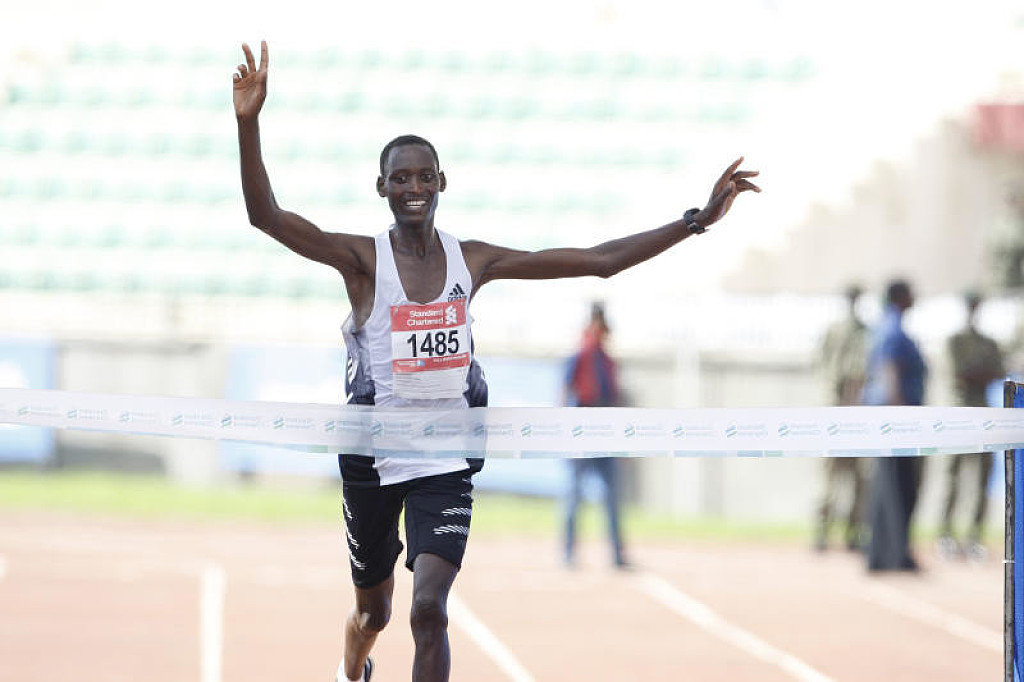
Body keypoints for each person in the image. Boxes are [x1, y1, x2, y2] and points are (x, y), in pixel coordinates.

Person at [232, 40, 760, 682]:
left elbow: (599, 261)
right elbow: (265, 216)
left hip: (445, 456)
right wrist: (248, 122)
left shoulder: (473, 261)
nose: (414, 187)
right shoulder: (363, 260)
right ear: (382, 188)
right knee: (374, 613)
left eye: (425, 176)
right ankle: (352, 670)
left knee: (429, 610)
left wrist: (696, 221)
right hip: (372, 455)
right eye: (401, 178)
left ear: (442, 183)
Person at [863, 279, 927, 572]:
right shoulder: (893, 327)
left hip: (887, 415)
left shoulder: (883, 325)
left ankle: (881, 554)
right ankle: (894, 554)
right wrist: (902, 414)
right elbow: (890, 370)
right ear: (899, 296)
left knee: (887, 484)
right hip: (895, 416)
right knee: (899, 487)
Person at [938, 292, 1005, 560]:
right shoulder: (954, 340)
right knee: (953, 477)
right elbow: (958, 374)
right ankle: (946, 534)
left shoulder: (989, 342)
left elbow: (998, 372)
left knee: (981, 478)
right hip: (958, 415)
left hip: (983, 415)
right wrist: (979, 372)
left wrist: (977, 372)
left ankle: (974, 536)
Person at [562, 302, 629, 569]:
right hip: (582, 426)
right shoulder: (580, 355)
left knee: (611, 496)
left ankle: (617, 554)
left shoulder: (608, 360)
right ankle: (568, 553)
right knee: (574, 494)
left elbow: (614, 398)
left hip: (605, 430)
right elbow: (566, 390)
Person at [814, 284, 869, 552]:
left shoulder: (850, 330)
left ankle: (843, 532)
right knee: (837, 477)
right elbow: (851, 373)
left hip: (843, 411)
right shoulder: (848, 331)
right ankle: (832, 532)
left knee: (849, 478)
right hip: (843, 411)